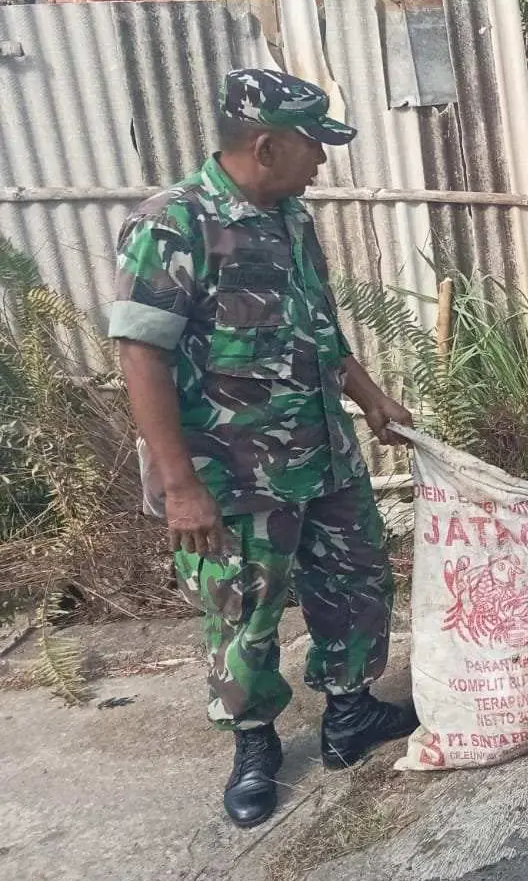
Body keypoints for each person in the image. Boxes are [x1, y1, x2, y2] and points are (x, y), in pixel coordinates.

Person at [111, 69, 417, 829]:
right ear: (268, 144)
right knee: (243, 611)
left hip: (323, 451)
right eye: (317, 147)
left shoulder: (291, 218)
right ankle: (255, 748)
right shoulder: (172, 224)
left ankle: (349, 715)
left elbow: (320, 327)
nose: (323, 162)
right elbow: (141, 357)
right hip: (232, 473)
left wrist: (369, 394)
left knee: (356, 580)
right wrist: (180, 486)